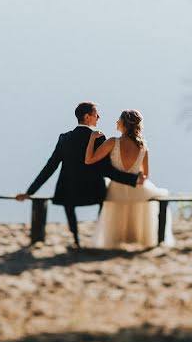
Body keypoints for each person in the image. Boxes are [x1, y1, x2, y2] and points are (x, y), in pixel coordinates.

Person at [16, 102, 145, 249]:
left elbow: (50, 167)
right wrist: (133, 179)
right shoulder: (99, 138)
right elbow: (107, 170)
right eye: (96, 114)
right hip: (94, 191)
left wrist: (29, 192)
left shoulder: (64, 138)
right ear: (87, 116)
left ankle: (76, 240)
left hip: (69, 191)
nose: (99, 117)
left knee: (68, 204)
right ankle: (97, 237)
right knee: (104, 199)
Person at [85, 109, 174, 249]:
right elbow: (145, 177)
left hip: (116, 191)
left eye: (118, 120)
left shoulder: (112, 142)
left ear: (124, 124)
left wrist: (91, 139)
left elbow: (89, 160)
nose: (116, 121)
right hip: (137, 190)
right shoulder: (143, 146)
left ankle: (117, 241)